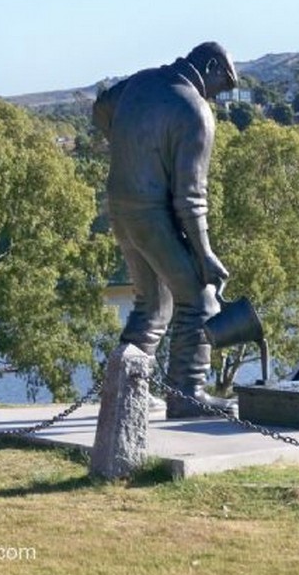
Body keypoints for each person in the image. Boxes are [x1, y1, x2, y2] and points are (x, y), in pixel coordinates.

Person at [93, 42, 239, 418]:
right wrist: (205, 255)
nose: (219, 95)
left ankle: (127, 391)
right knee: (200, 300)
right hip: (152, 213)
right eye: (222, 84)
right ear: (209, 66)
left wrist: (133, 146)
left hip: (121, 207)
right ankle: (187, 396)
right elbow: (191, 197)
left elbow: (101, 108)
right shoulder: (194, 111)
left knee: (153, 305)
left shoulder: (140, 84)